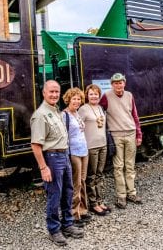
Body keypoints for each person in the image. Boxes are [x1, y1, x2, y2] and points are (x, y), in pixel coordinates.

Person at [30, 80, 84, 246]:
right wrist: (43, 167)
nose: (54, 95)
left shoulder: (56, 111)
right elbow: (35, 145)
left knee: (68, 191)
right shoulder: (40, 115)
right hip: (52, 158)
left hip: (64, 155)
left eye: (56, 92)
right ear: (44, 93)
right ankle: (54, 229)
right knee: (55, 194)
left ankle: (67, 224)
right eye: (51, 92)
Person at [99, 73, 143, 209]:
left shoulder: (129, 95)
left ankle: (132, 193)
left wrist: (138, 134)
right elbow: (99, 111)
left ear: (125, 83)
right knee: (118, 167)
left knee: (130, 165)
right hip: (116, 135)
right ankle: (121, 196)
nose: (118, 85)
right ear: (112, 84)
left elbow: (134, 115)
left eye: (121, 82)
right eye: (116, 83)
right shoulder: (106, 96)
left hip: (130, 133)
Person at [78, 84, 111, 216]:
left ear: (99, 95)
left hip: (103, 144)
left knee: (100, 174)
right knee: (91, 176)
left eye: (96, 94)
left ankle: (99, 200)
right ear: (87, 95)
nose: (94, 96)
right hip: (91, 147)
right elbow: (78, 128)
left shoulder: (100, 108)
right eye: (91, 94)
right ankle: (93, 204)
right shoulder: (83, 109)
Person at [62, 87, 92, 227]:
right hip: (73, 152)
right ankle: (73, 214)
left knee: (83, 181)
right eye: (74, 98)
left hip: (83, 150)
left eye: (79, 99)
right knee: (76, 183)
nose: (77, 101)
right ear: (68, 99)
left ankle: (83, 210)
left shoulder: (77, 114)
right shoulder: (65, 115)